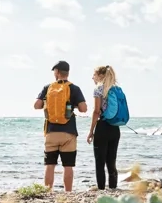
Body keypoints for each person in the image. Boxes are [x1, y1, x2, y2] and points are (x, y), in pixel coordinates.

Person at [34, 61, 87, 192]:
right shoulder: (74, 88)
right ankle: (68, 192)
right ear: (68, 72)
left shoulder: (48, 87)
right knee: (68, 166)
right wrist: (72, 106)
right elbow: (84, 109)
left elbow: (36, 105)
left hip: (51, 132)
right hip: (68, 133)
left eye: (54, 71)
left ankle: (48, 192)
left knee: (49, 164)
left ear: (57, 72)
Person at [86, 65, 121, 190]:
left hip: (103, 127)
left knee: (100, 162)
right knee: (111, 162)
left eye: (94, 75)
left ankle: (101, 190)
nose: (92, 77)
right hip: (115, 128)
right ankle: (113, 189)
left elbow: (96, 112)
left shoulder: (98, 89)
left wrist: (91, 131)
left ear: (101, 76)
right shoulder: (116, 89)